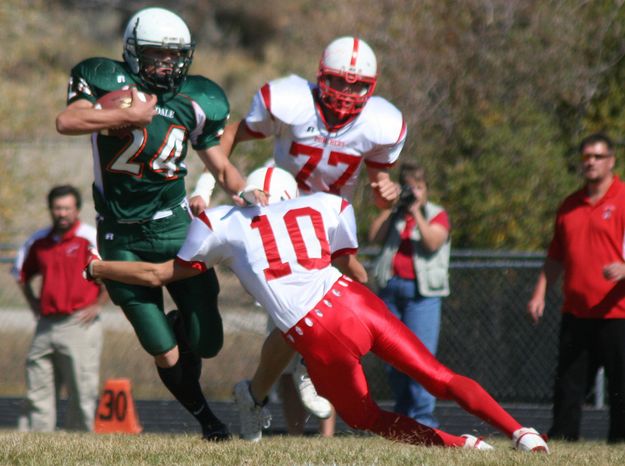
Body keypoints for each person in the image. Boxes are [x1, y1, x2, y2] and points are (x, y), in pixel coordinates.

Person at [86, 166, 548, 452]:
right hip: (354, 302)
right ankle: (522, 433)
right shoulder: (327, 204)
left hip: (316, 332)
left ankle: (461, 445)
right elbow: (351, 266)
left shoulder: (220, 223)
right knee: (440, 377)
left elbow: (157, 275)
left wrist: (101, 266)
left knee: (365, 416)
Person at [55, 7, 263, 440]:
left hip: (175, 227)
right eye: (156, 55)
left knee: (208, 342)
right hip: (119, 231)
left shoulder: (199, 97)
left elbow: (221, 167)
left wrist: (244, 192)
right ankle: (208, 421)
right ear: (132, 52)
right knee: (160, 347)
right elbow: (68, 120)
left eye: (175, 55)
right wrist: (123, 117)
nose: (166, 64)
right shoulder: (103, 78)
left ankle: (183, 328)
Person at [189, 35, 406, 437]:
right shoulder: (291, 102)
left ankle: (259, 394)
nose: (347, 92)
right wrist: (205, 186)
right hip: (284, 217)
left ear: (371, 88)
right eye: (339, 81)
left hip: (332, 222)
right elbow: (231, 134)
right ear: (321, 77)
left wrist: (386, 194)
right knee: (310, 314)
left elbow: (380, 190)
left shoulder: (381, 124)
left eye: (357, 85)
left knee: (338, 299)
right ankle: (301, 373)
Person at [527, 133, 625, 443]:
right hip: (576, 311)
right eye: (586, 157)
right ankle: (562, 438)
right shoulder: (569, 205)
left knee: (620, 385)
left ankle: (619, 442)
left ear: (611, 160)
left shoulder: (622, 199)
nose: (591, 162)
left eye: (597, 156)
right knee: (569, 383)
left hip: (617, 313)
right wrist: (541, 290)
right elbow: (556, 254)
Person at [12, 185, 106, 432]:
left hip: (79, 322)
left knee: (81, 388)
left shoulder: (90, 237)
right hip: (46, 324)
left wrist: (99, 303)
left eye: (67, 208)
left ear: (76, 210)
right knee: (38, 384)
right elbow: (21, 274)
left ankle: (82, 441)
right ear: (50, 209)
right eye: (57, 208)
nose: (62, 213)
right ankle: (36, 440)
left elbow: (114, 273)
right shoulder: (39, 241)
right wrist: (33, 303)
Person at [369, 162, 450, 428]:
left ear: (426, 189)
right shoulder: (396, 215)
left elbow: (432, 242)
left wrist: (417, 212)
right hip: (390, 292)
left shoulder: (436, 214)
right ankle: (403, 420)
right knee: (394, 360)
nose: (413, 192)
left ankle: (423, 422)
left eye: (419, 187)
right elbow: (373, 236)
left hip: (422, 295)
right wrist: (392, 208)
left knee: (421, 360)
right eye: (408, 187)